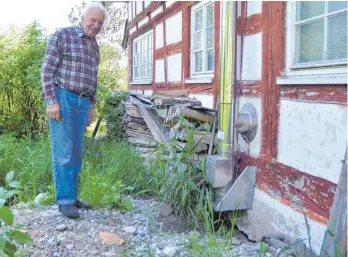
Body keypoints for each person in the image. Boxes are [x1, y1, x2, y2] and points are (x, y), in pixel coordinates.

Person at [41, 3, 106, 219]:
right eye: (92, 20)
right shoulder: (63, 35)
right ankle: (65, 200)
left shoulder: (95, 46)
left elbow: (93, 78)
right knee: (63, 151)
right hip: (63, 97)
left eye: (100, 22)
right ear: (82, 18)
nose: (96, 25)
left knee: (77, 151)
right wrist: (52, 101)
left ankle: (72, 196)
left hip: (83, 102)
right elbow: (47, 69)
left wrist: (92, 106)